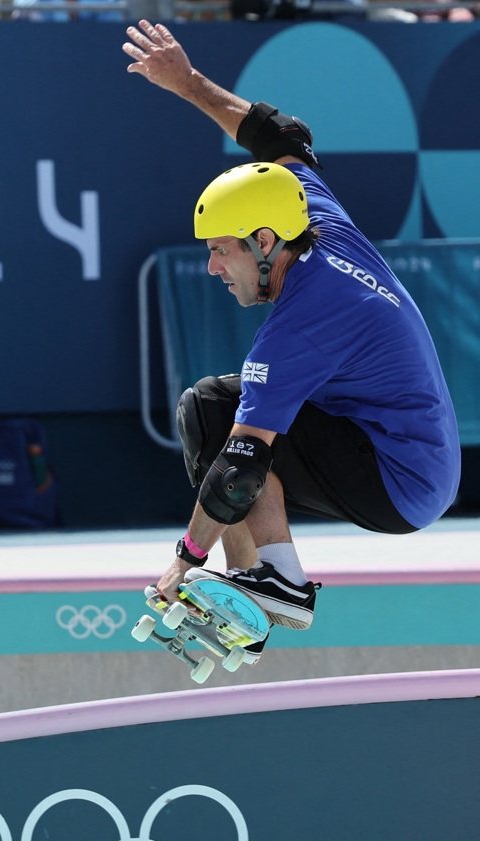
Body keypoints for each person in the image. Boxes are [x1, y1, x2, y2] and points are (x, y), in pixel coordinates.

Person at [122, 21, 460, 651]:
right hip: (405, 449)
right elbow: (283, 138)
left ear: (265, 242)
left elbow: (243, 466)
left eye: (222, 252)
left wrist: (186, 560)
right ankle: (259, 581)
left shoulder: (304, 322)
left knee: (213, 413)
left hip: (399, 481)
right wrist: (186, 82)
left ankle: (273, 582)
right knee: (223, 414)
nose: (213, 268)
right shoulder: (312, 213)